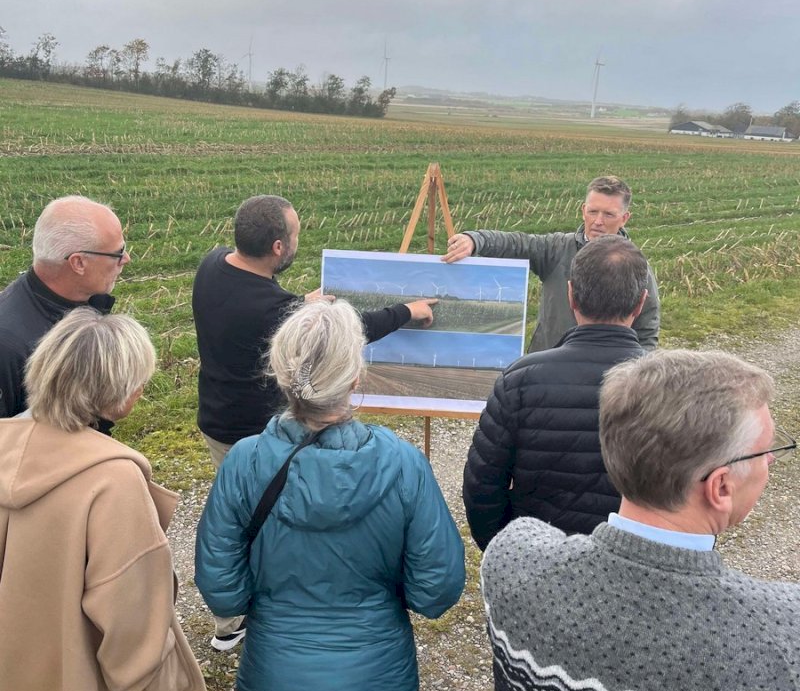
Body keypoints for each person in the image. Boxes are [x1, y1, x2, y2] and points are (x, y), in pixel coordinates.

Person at [481, 348, 800, 691]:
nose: (772, 462)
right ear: (719, 487)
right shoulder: (785, 632)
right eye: (770, 450)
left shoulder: (515, 560)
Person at [195, 299, 465, 691]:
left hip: (277, 674)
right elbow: (437, 590)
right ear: (357, 376)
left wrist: (263, 596)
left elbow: (221, 587)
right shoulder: (402, 465)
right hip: (372, 682)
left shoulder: (244, 463)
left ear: (279, 371)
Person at [0, 309, 212, 691]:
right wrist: (136, 688)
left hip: (15, 665)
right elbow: (129, 612)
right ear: (116, 396)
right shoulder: (113, 480)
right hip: (82, 670)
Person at [192, 193, 436, 651]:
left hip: (214, 416)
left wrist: (299, 304)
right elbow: (348, 328)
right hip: (253, 430)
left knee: (233, 508)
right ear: (279, 248)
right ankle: (241, 617)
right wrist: (408, 312)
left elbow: (259, 306)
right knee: (259, 517)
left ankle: (235, 614)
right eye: (296, 234)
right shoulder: (271, 309)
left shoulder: (212, 266)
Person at [463, 235, 647, 549]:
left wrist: (507, 550)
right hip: (636, 574)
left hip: (540, 560)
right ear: (641, 303)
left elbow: (483, 484)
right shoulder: (675, 388)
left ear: (571, 295)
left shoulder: (520, 379)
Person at [442, 175, 660, 352]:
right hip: (548, 362)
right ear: (583, 210)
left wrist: (632, 380)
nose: (598, 221)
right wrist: (475, 240)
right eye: (593, 212)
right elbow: (517, 244)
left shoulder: (637, 267)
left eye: (609, 214)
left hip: (607, 378)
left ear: (625, 218)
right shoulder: (556, 249)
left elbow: (647, 333)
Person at [0, 195, 130, 418]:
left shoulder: (78, 301)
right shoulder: (8, 345)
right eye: (117, 253)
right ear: (78, 263)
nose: (126, 259)